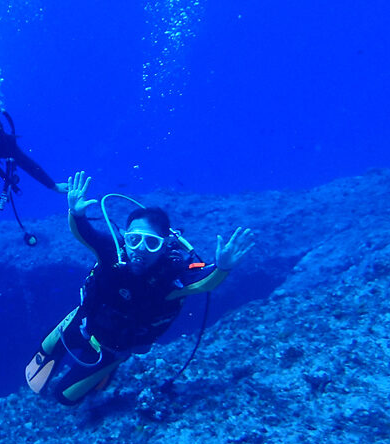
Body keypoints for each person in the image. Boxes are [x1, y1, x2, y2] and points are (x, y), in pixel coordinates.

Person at [25, 171, 255, 406]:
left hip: (112, 348)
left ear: (164, 246)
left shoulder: (170, 275)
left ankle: (107, 372)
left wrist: (223, 267)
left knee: (64, 397)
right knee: (46, 347)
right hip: (83, 321)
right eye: (134, 240)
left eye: (152, 243)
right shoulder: (112, 252)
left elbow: (202, 280)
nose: (141, 250)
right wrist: (76, 212)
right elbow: (85, 233)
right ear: (125, 238)